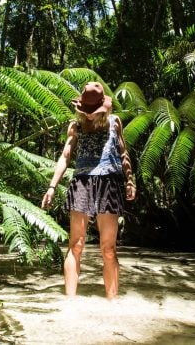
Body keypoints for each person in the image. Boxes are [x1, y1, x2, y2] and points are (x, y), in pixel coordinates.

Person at [41, 81, 136, 300]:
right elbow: (65, 156)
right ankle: (70, 303)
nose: (90, 115)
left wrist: (130, 181)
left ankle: (113, 304)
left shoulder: (114, 123)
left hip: (109, 184)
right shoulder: (76, 126)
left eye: (94, 111)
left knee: (108, 249)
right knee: (76, 244)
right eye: (87, 111)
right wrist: (52, 187)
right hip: (82, 182)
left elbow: (123, 153)